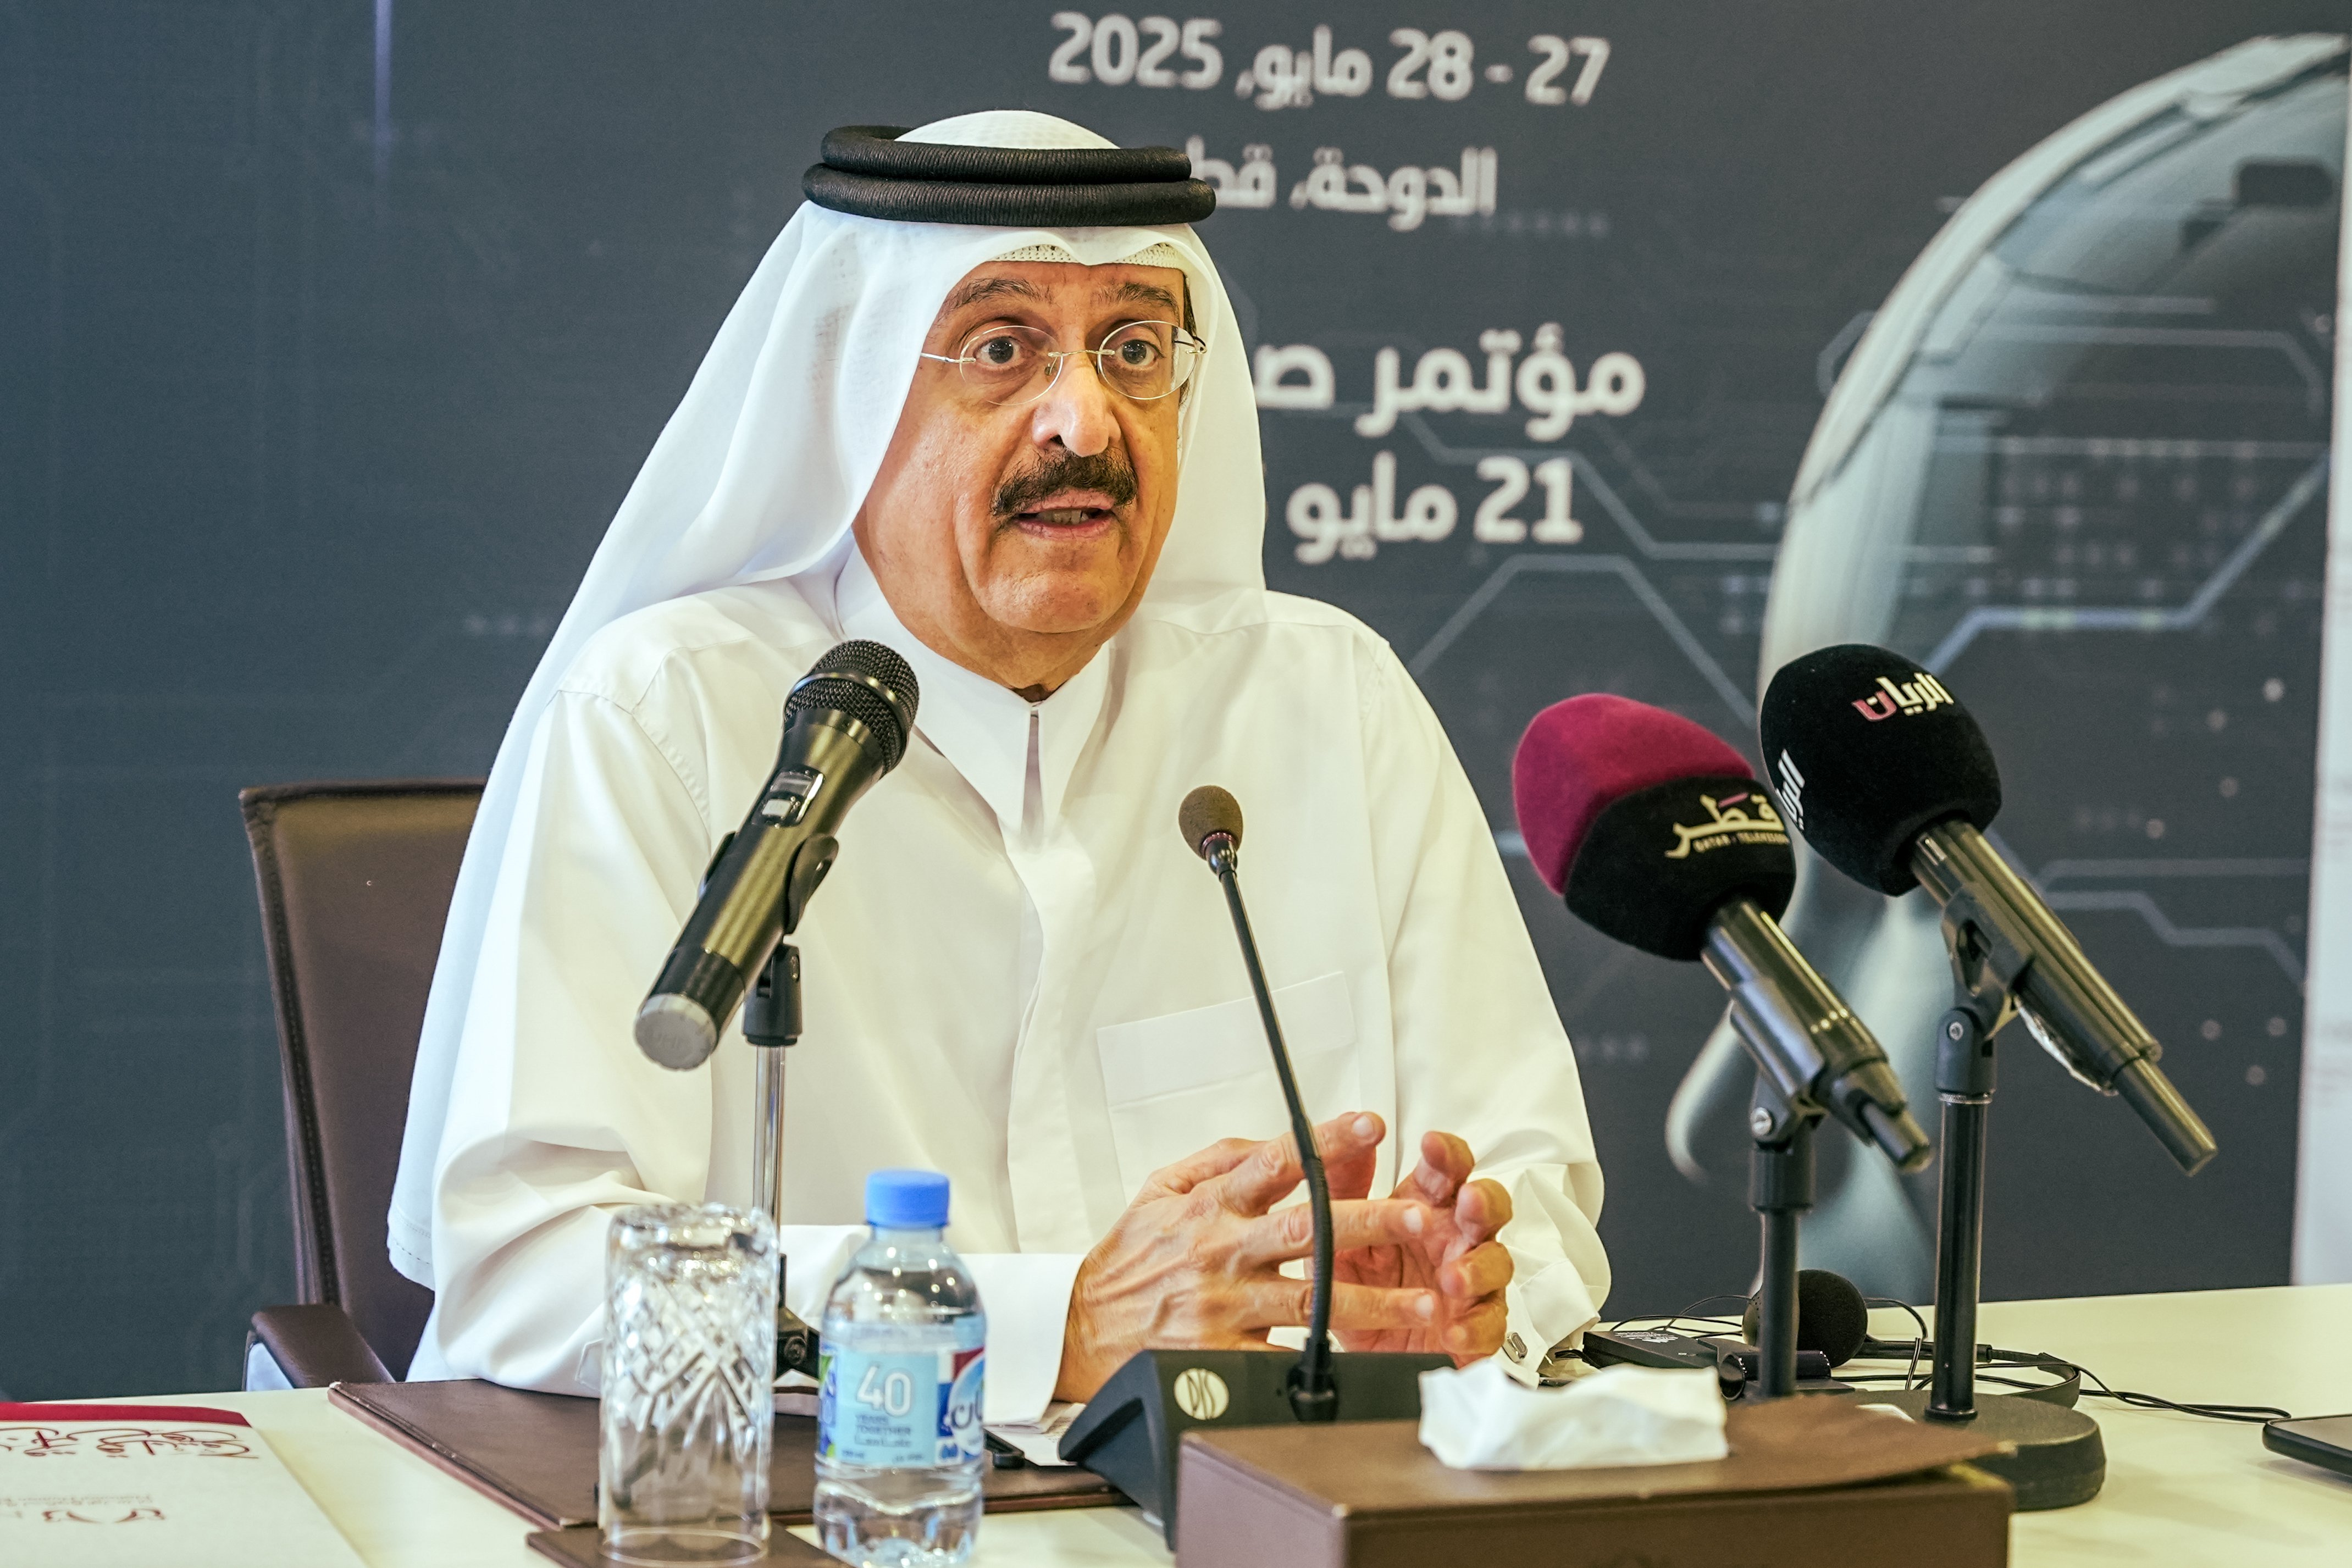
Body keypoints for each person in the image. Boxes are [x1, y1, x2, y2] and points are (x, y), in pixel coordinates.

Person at [390, 111, 1608, 1422]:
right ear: (854, 393)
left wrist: (1457, 1290)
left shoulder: (1332, 704)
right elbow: (532, 1268)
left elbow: (1528, 1186)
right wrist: (1054, 1326)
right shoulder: (668, 716)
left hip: (1261, 1498)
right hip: (842, 1505)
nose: (1084, 420)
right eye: (1000, 349)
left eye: (1134, 350)